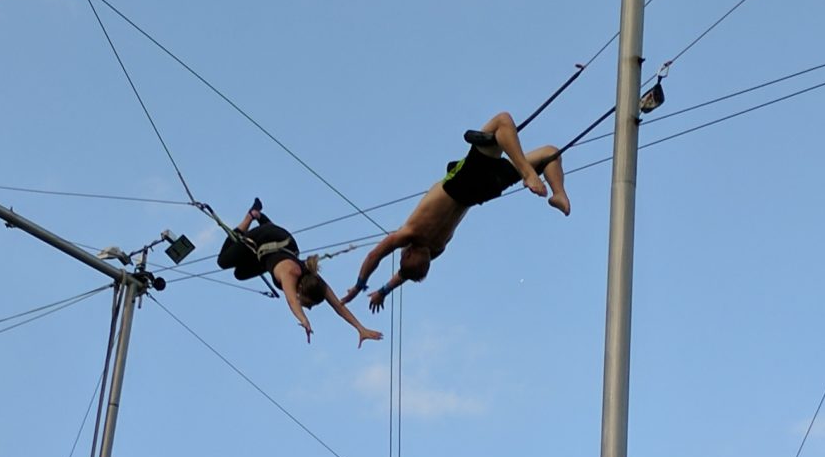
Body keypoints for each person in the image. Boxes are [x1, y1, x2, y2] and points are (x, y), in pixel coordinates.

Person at [349, 111, 569, 311]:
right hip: (465, 182)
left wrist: (377, 289)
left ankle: (559, 195)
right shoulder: (409, 234)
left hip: (483, 192)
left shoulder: (435, 247)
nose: (427, 258)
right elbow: (379, 257)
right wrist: (365, 287)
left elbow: (397, 269)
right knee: (503, 121)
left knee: (550, 153)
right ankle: (529, 174)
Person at [217, 201, 382, 344]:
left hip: (283, 246)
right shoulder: (290, 274)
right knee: (223, 261)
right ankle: (252, 216)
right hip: (268, 239)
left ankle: (262, 219)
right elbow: (291, 301)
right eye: (309, 304)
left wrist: (360, 328)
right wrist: (304, 320)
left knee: (240, 274)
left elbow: (338, 306)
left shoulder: (315, 281)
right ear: (302, 291)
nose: (308, 308)